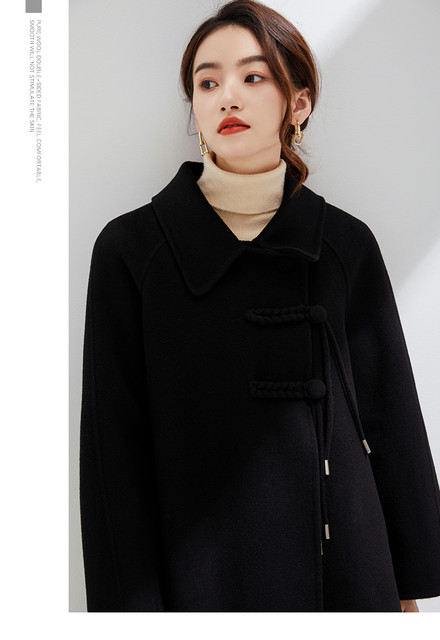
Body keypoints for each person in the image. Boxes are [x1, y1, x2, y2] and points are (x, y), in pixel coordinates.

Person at [79, 0, 440, 612]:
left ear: (298, 103)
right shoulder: (132, 252)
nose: (228, 97)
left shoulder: (344, 245)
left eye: (253, 77)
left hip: (345, 574)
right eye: (207, 82)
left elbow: (392, 420)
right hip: (200, 584)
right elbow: (112, 459)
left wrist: (409, 592)